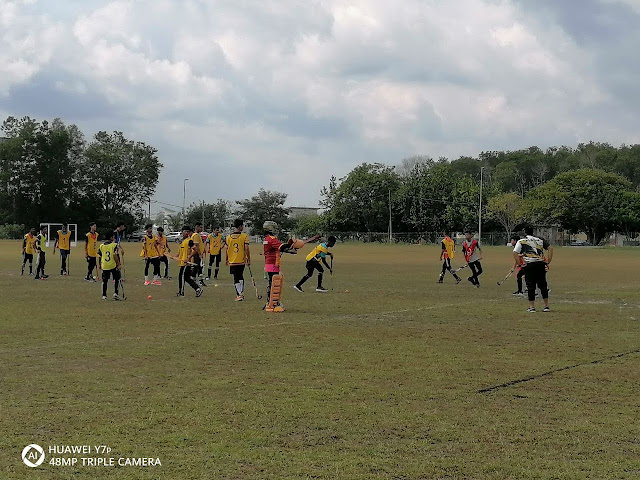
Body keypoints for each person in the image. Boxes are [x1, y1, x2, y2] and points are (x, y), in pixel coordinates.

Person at [513, 226, 553, 312]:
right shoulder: (540, 240)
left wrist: (520, 264)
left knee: (530, 285)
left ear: (525, 232)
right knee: (543, 285)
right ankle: (546, 306)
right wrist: (548, 261)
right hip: (540, 264)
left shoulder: (521, 241)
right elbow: (550, 248)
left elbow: (515, 252)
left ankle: (532, 307)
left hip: (529, 264)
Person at [262, 221, 297, 307]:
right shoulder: (272, 238)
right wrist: (291, 244)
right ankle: (271, 303)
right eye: (274, 228)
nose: (275, 230)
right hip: (273, 264)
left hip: (270, 264)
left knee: (272, 283)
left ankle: (271, 302)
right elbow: (282, 247)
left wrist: (290, 250)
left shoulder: (267, 238)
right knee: (274, 284)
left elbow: (279, 249)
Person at [226, 219, 251, 301]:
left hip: (232, 261)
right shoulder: (244, 236)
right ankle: (241, 293)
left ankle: (239, 294)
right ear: (240, 226)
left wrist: (226, 259)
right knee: (240, 276)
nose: (243, 227)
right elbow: (247, 248)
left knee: (236, 277)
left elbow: (227, 249)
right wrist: (248, 258)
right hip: (241, 260)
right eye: (242, 226)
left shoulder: (228, 237)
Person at [177, 226, 203, 297]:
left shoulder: (189, 241)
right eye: (183, 232)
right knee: (187, 278)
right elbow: (181, 252)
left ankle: (181, 292)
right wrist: (175, 256)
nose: (184, 233)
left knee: (181, 277)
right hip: (182, 262)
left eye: (186, 232)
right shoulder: (183, 241)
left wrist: (189, 257)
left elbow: (195, 250)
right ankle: (198, 289)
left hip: (186, 264)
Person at [97, 231, 122, 300]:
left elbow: (99, 256)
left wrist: (99, 264)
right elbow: (115, 255)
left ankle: (104, 295)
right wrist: (118, 264)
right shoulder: (114, 245)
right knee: (117, 279)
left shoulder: (101, 246)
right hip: (112, 264)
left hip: (105, 265)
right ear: (111, 237)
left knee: (105, 280)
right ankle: (115, 293)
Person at [191, 222, 206, 286]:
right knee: (198, 267)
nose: (201, 229)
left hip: (197, 253)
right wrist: (200, 254)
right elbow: (196, 245)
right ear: (197, 227)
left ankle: (197, 280)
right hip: (197, 254)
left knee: (197, 267)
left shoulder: (197, 235)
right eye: (200, 227)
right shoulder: (196, 235)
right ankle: (198, 280)